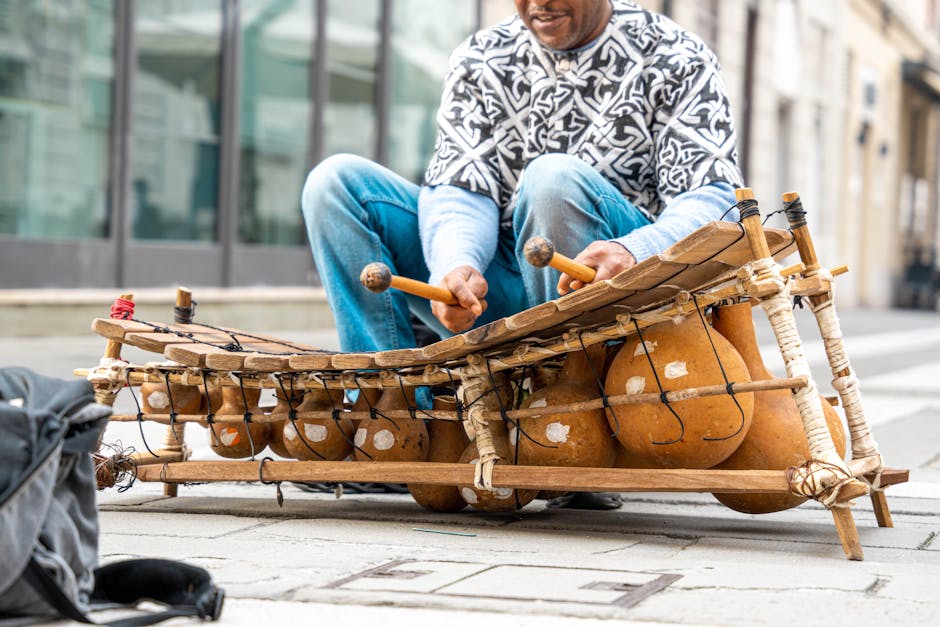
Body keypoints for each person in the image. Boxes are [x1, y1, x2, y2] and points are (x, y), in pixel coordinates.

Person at [301, 0, 744, 508]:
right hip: (500, 291)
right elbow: (460, 186)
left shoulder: (676, 55)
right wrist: (455, 262)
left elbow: (713, 198)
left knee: (551, 178)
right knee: (333, 184)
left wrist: (634, 249)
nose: (539, 3)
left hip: (610, 297)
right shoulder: (483, 56)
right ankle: (393, 424)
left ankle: (569, 426)